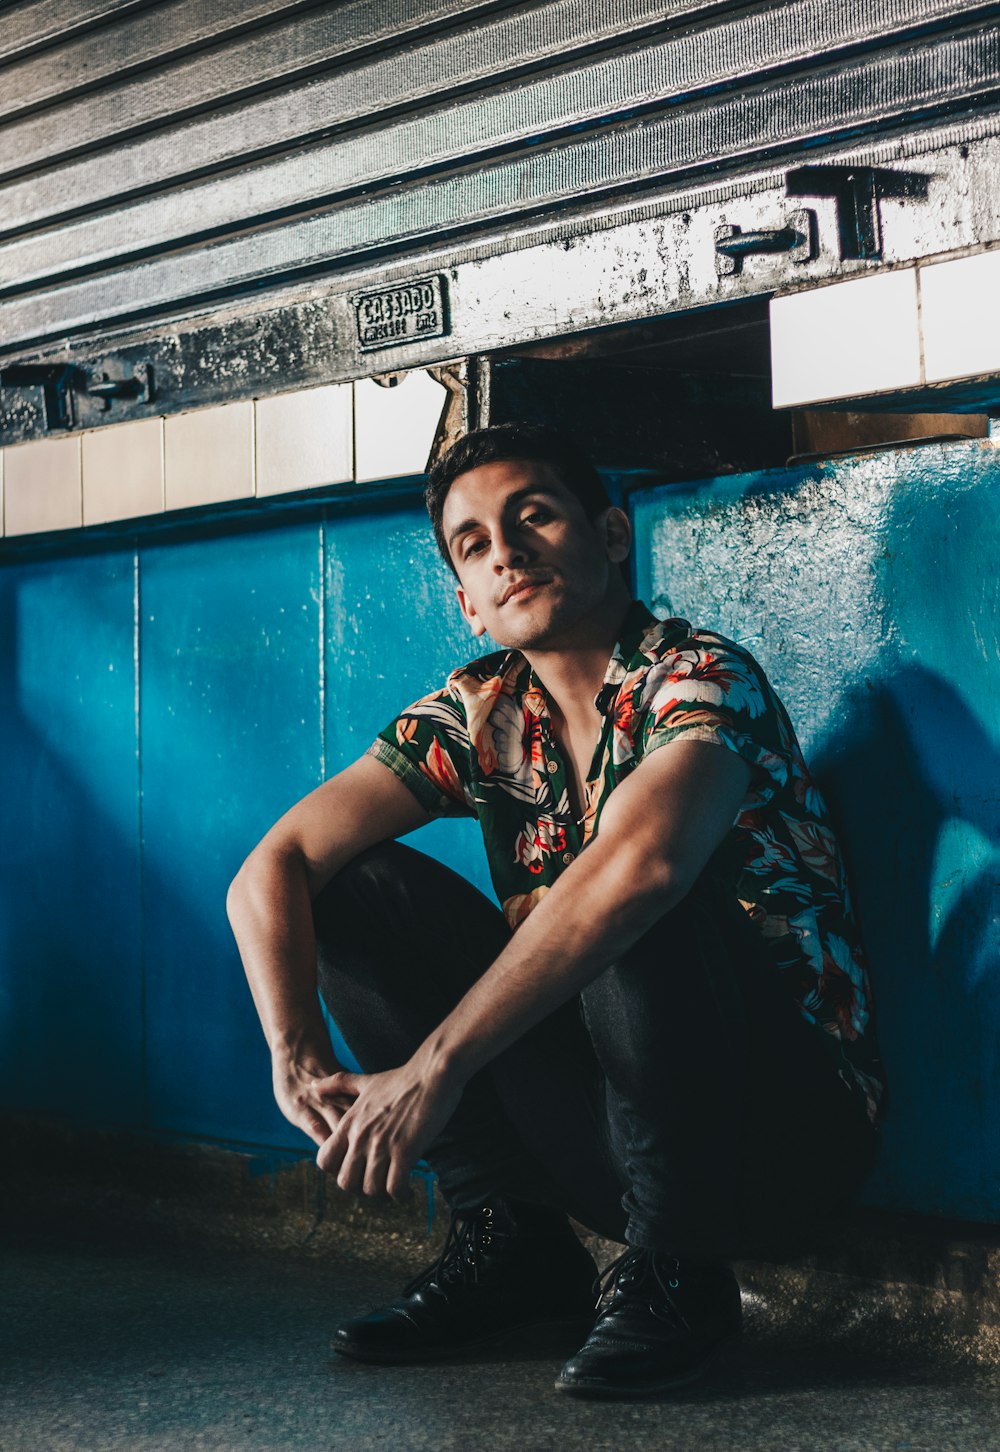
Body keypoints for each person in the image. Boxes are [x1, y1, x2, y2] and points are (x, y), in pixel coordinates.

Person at [226, 422, 883, 1398]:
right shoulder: (482, 711)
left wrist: (431, 1069)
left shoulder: (696, 675)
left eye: (532, 514)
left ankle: (678, 1272)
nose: (509, 553)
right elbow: (273, 865)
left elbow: (645, 865)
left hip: (780, 1135)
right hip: (614, 1134)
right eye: (475, 544)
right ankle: (518, 1246)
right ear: (469, 603)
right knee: (359, 889)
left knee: (613, 889)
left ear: (611, 535)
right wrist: (294, 1052)